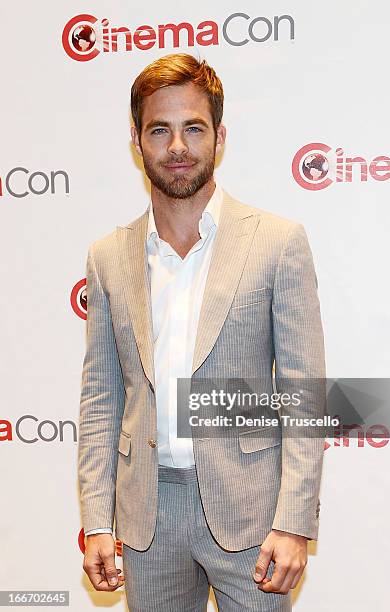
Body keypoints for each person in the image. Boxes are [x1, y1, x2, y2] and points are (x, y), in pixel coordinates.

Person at [78, 52, 326, 611]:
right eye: (159, 129)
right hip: (147, 517)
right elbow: (100, 399)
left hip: (252, 518)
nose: (177, 147)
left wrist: (294, 521)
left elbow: (303, 391)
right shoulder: (108, 256)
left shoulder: (277, 242)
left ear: (219, 136)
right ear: (137, 141)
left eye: (193, 128)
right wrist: (97, 520)